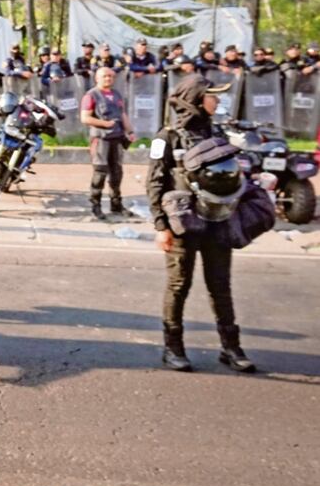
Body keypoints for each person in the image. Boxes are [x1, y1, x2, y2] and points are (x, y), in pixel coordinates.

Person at [146, 75, 255, 373]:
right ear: (195, 99)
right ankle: (173, 348)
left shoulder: (217, 133)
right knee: (179, 285)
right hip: (183, 224)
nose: (217, 101)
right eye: (212, 96)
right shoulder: (166, 137)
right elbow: (154, 183)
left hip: (219, 221)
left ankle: (231, 348)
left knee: (221, 286)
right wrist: (160, 226)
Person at [80, 67, 136, 220]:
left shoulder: (116, 94)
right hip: (100, 139)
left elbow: (122, 114)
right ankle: (95, 205)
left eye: (111, 76)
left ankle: (116, 204)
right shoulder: (91, 95)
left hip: (117, 138)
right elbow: (85, 118)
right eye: (105, 76)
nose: (109, 79)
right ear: (97, 78)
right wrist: (105, 124)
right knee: (100, 172)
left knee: (117, 173)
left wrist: (130, 131)